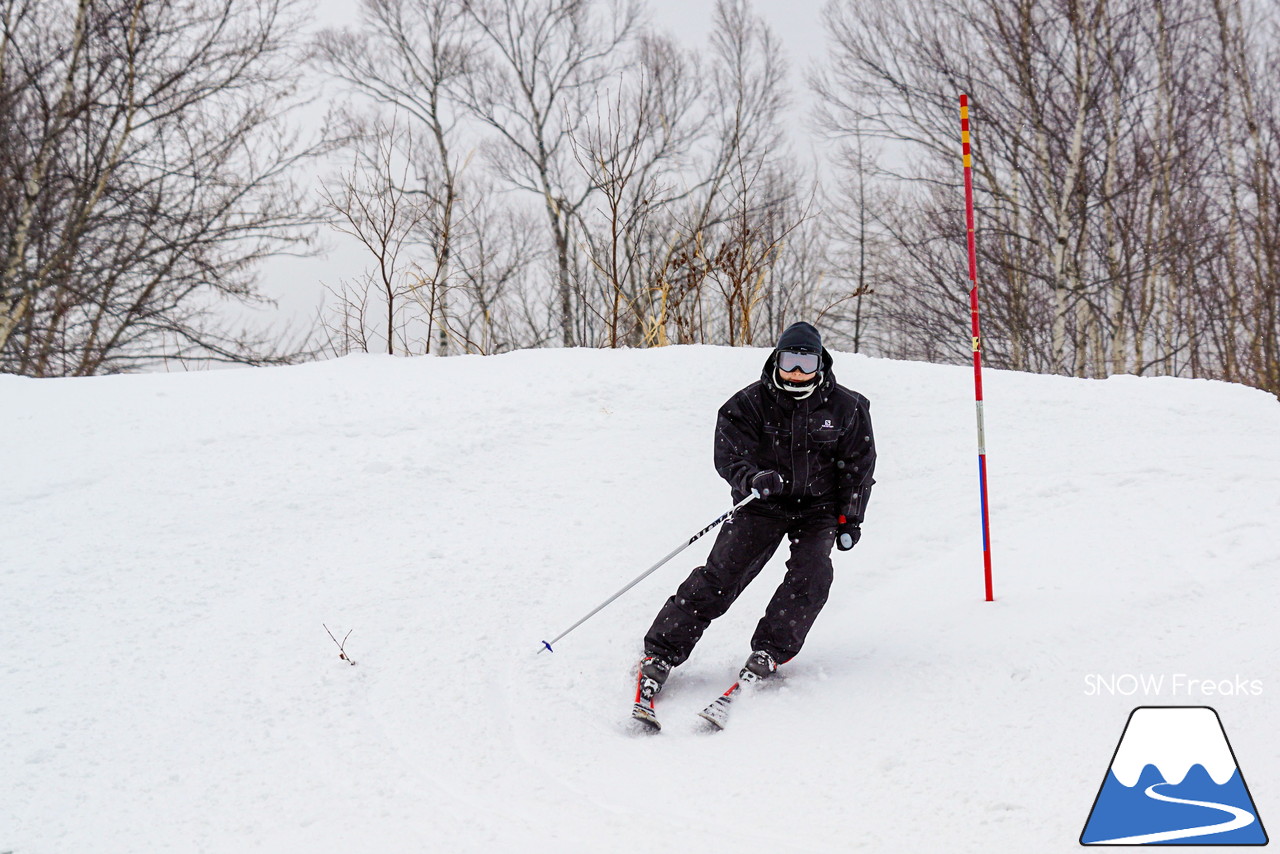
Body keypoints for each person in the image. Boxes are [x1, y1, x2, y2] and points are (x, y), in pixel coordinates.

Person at [638, 321, 876, 697]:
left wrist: (851, 517)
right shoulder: (748, 403)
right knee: (720, 576)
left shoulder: (847, 407)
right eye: (790, 361)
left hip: (818, 508)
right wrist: (752, 478)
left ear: (821, 364)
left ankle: (770, 649)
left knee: (812, 574)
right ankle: (661, 652)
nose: (797, 371)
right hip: (762, 504)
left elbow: (859, 466)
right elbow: (728, 455)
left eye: (806, 363)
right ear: (776, 360)